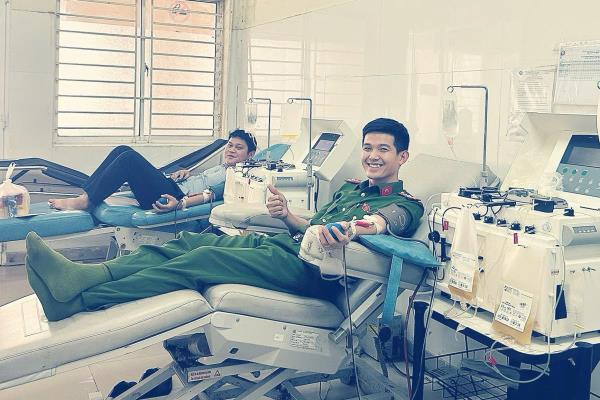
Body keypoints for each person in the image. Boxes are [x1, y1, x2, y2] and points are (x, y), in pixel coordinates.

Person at [25, 118, 425, 321]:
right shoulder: (351, 190)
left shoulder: (406, 204)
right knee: (190, 242)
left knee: (202, 261)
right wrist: (288, 215)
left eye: (383, 150)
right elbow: (311, 229)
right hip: (283, 248)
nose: (372, 156)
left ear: (402, 157)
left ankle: (80, 301)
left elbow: (381, 222)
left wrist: (352, 229)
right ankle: (87, 275)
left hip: (313, 273)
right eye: (368, 148)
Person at [48, 129, 257, 213]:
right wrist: (186, 174)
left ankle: (86, 201)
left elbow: (214, 193)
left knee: (128, 159)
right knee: (123, 150)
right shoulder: (224, 166)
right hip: (174, 185)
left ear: (250, 155)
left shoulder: (241, 175)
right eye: (230, 145)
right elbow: (203, 181)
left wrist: (181, 203)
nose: (231, 150)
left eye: (238, 148)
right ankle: (87, 196)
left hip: (171, 197)